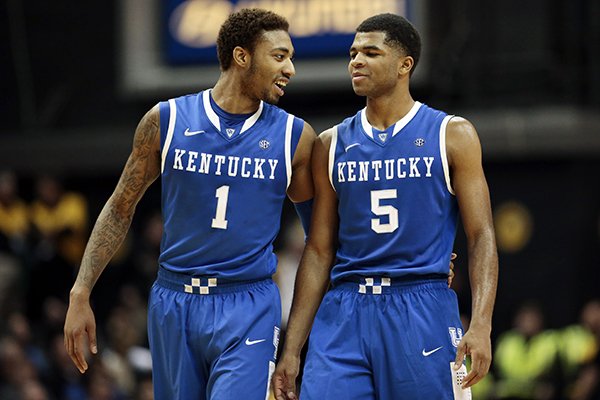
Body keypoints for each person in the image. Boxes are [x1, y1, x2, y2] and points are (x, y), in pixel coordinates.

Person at [63, 8, 316, 399]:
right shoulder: (166, 120)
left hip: (248, 303)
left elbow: (322, 237)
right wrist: (80, 292)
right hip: (174, 301)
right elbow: (119, 207)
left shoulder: (294, 137)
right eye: (279, 56)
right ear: (242, 56)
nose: (291, 69)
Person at [273, 13, 498, 399]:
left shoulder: (452, 135)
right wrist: (292, 348)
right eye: (353, 53)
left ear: (404, 64)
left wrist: (481, 324)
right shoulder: (331, 144)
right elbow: (320, 248)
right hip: (346, 308)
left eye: (370, 53)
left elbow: (481, 236)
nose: (356, 61)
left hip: (420, 305)